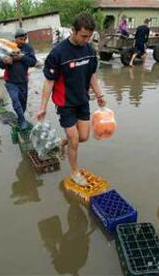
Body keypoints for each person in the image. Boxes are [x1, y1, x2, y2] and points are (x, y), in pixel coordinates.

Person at [36, 13, 106, 186]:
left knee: (83, 136)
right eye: (83, 36)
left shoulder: (89, 51)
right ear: (73, 30)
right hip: (65, 103)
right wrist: (43, 107)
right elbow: (49, 81)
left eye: (89, 36)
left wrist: (99, 95)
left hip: (82, 100)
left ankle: (61, 142)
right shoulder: (58, 53)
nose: (86, 40)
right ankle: (75, 172)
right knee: (74, 139)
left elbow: (92, 75)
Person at [0, 29, 37, 130]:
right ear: (15, 39)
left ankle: (20, 117)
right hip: (10, 81)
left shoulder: (28, 48)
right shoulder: (8, 47)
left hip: (23, 80)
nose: (22, 41)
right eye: (20, 39)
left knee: (23, 104)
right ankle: (23, 121)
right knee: (15, 100)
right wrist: (4, 60)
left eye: (24, 39)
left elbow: (33, 62)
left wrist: (21, 58)